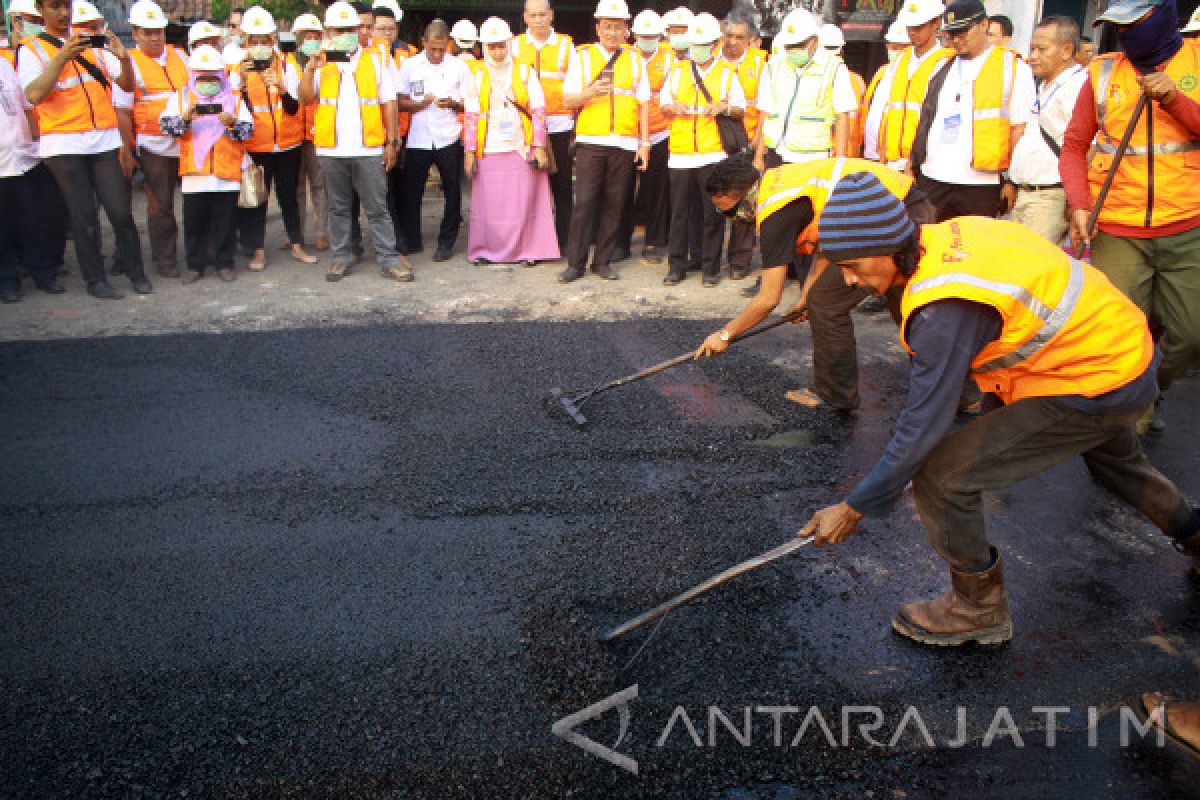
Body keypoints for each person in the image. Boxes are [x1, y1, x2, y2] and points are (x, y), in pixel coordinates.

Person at [780, 172, 1200, 647]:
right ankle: (1196, 532)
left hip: (1093, 380)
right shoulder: (944, 238)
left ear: (890, 244)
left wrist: (856, 505)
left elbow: (924, 423)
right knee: (1119, 465)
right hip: (1117, 353)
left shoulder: (944, 309)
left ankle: (976, 608)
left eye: (853, 266)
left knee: (943, 476)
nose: (850, 280)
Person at [1060, 0, 1200, 436]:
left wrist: (1175, 100)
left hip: (1187, 224)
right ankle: (1131, 417)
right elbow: (1074, 147)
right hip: (1118, 227)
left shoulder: (1197, 59)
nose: (1125, 35)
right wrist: (1080, 203)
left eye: (1133, 23)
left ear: (1161, 17)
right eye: (1116, 26)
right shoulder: (1103, 71)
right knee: (1125, 333)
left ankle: (1149, 389)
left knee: (1190, 336)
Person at [701, 155, 933, 411]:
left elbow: (768, 299)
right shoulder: (780, 183)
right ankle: (955, 391)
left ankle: (837, 393)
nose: (733, 220)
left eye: (730, 213)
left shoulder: (775, 212)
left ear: (744, 199)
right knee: (890, 303)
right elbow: (827, 246)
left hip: (894, 214)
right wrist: (806, 296)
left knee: (890, 304)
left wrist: (725, 335)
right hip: (900, 205)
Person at [19, 0, 149, 299]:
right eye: (55, 7)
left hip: (104, 139)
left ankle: (136, 272)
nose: (63, 13)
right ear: (41, 10)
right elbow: (34, 94)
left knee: (120, 212)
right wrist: (61, 58)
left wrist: (124, 59)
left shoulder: (90, 45)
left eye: (66, 6)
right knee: (84, 216)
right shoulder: (32, 49)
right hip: (64, 143)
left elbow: (126, 87)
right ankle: (96, 280)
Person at [298, 0, 410, 282]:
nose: (347, 33)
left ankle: (388, 258)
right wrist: (310, 69)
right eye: (340, 29)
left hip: (368, 147)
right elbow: (305, 98)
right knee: (338, 208)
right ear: (329, 31)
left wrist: (392, 142)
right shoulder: (320, 62)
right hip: (331, 149)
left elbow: (389, 102)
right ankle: (341, 257)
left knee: (378, 208)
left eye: (351, 28)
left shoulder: (374, 59)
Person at [907, 0, 1034, 222]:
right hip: (933, 176)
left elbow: (1019, 129)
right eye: (951, 33)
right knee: (928, 245)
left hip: (981, 184)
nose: (956, 40)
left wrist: (1011, 181)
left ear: (984, 24)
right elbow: (925, 119)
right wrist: (913, 164)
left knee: (974, 249)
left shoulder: (1013, 67)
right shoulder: (940, 66)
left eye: (963, 32)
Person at [558, 0, 651, 283]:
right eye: (607, 27)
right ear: (598, 27)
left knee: (615, 203)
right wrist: (590, 92)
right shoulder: (582, 56)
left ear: (627, 30)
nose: (612, 32)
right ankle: (576, 263)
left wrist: (644, 144)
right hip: (591, 140)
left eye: (618, 27)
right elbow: (567, 99)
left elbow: (644, 103)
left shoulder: (635, 59)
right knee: (585, 202)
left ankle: (603, 261)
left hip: (624, 142)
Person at [462, 17, 558, 267]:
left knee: (525, 203)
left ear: (509, 43)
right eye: (491, 46)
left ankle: (529, 250)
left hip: (521, 147)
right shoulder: (476, 73)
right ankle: (486, 251)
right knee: (490, 207)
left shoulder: (524, 70)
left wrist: (538, 146)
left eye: (501, 45)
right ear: (484, 47)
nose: (497, 51)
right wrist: (469, 151)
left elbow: (538, 109)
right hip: (489, 147)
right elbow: (471, 114)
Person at [659, 12, 743, 287]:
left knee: (712, 213)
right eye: (694, 43)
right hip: (681, 152)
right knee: (679, 213)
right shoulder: (678, 69)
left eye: (703, 43)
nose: (697, 49)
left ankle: (710, 269)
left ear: (715, 44)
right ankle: (676, 266)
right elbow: (664, 104)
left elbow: (741, 108)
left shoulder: (727, 73)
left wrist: (724, 107)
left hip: (713, 152)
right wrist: (673, 107)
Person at [159, 45, 253, 283]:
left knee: (225, 222)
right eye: (202, 77)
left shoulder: (235, 99)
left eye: (213, 77)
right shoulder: (181, 97)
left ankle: (225, 262)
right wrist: (185, 119)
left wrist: (232, 124)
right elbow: (167, 128)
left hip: (226, 173)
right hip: (195, 175)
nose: (208, 82)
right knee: (194, 223)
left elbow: (248, 131)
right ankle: (195, 265)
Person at [232, 6, 313, 271]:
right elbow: (234, 110)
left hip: (288, 145)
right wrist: (242, 84)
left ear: (272, 40)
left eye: (263, 40)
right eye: (253, 41)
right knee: (258, 200)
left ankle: (297, 245)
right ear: (246, 41)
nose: (259, 46)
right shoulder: (237, 70)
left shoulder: (288, 66)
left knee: (289, 196)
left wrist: (280, 89)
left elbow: (295, 107)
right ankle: (257, 251)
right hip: (257, 145)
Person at [114, 0, 185, 280]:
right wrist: (127, 148)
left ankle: (199, 253)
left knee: (196, 200)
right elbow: (122, 111)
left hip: (188, 142)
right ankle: (165, 260)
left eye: (159, 31)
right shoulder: (128, 63)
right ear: (135, 33)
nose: (156, 37)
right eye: (148, 32)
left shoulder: (180, 56)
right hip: (154, 145)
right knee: (160, 205)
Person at [395, 18, 470, 262]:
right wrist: (419, 104)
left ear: (448, 44)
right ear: (424, 42)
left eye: (442, 48)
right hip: (419, 138)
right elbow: (398, 101)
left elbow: (473, 102)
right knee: (411, 191)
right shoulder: (410, 65)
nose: (437, 54)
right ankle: (412, 239)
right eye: (432, 48)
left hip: (448, 136)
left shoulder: (459, 67)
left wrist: (454, 104)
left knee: (452, 190)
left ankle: (446, 241)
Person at [1006, 16, 1085, 245]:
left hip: (1051, 196)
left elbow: (1085, 149)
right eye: (1032, 48)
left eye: (1042, 49)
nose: (1034, 56)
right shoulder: (1045, 85)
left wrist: (1077, 203)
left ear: (1067, 50)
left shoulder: (1077, 87)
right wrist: (1012, 181)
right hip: (1027, 193)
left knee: (1033, 269)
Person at [512, 0, 575, 252]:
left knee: (561, 186)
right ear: (525, 17)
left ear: (551, 16)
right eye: (533, 15)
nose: (538, 20)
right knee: (529, 189)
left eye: (543, 15)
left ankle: (564, 242)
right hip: (525, 128)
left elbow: (574, 84)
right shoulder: (514, 45)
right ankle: (532, 244)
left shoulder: (566, 45)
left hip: (558, 125)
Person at [0, 52, 62, 301]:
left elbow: (26, 107)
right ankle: (7, 282)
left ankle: (44, 274)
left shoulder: (4, 65)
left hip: (24, 157)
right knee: (2, 229)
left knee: (34, 223)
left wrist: (36, 141)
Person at [866, 0, 953, 172]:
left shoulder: (946, 61)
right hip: (893, 162)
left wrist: (914, 163)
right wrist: (882, 161)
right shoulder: (899, 61)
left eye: (918, 27)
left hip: (925, 165)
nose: (912, 33)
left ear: (936, 23)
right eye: (909, 27)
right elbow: (888, 115)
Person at [613, 8, 670, 267]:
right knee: (622, 190)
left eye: (653, 35)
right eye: (644, 35)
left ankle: (653, 242)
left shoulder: (669, 57)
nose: (648, 39)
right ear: (634, 34)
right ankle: (620, 242)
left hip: (660, 132)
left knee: (656, 190)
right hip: (628, 133)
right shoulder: (624, 55)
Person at [720, 8, 765, 281]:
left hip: (747, 143)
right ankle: (707, 258)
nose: (732, 42)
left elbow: (766, 110)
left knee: (745, 205)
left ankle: (739, 259)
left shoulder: (761, 64)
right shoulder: (710, 60)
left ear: (750, 40)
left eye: (739, 37)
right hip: (715, 143)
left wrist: (757, 146)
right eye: (728, 35)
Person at [287, 14, 330, 252]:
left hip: (317, 132)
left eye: (315, 34)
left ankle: (322, 233)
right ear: (296, 37)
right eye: (305, 34)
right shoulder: (285, 62)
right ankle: (297, 234)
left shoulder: (326, 62)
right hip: (292, 134)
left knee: (320, 185)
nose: (310, 38)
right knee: (296, 187)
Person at [860, 21, 909, 162]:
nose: (894, 51)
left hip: (892, 157)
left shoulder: (911, 76)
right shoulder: (882, 72)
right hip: (870, 152)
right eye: (892, 47)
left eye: (899, 48)